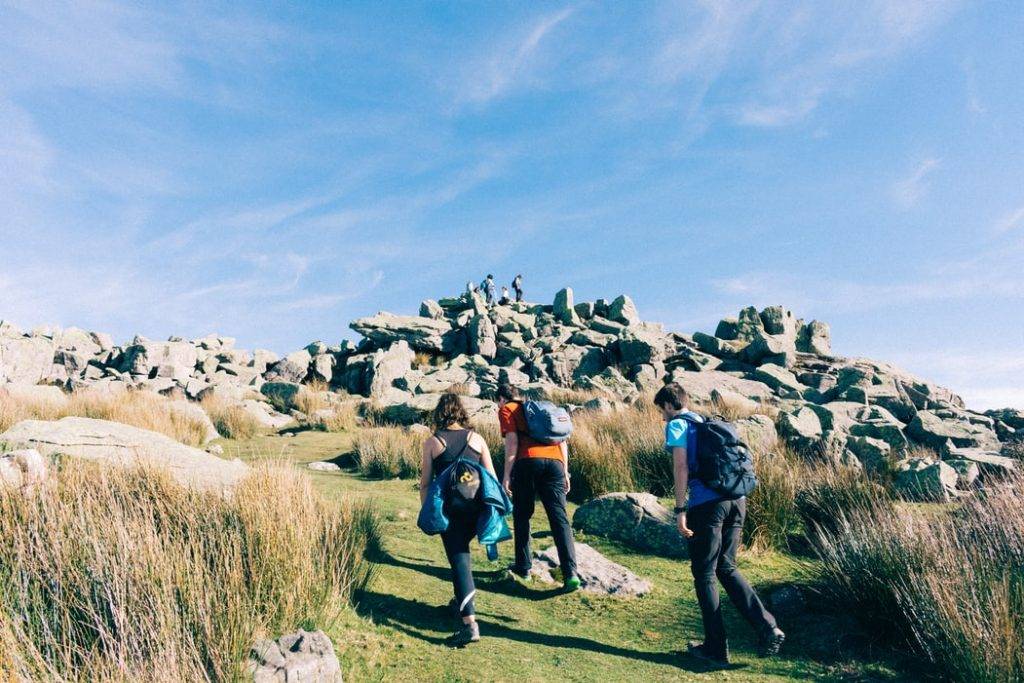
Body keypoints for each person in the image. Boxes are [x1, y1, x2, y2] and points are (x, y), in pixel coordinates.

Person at [653, 382, 785, 666]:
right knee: (726, 567)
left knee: (704, 573)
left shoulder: (677, 426)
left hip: (707, 504)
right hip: (737, 499)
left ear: (667, 405)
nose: (662, 417)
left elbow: (680, 467)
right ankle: (768, 627)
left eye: (661, 411)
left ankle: (715, 648)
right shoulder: (706, 423)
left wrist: (679, 509)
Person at [419, 393, 499, 647]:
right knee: (460, 556)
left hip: (450, 512)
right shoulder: (477, 439)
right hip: (475, 510)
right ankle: (459, 602)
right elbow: (491, 478)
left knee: (460, 560)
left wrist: (430, 512)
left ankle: (470, 625)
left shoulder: (433, 442)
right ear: (462, 412)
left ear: (439, 413)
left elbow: (425, 484)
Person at [496, 383, 579, 590]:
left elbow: (512, 443)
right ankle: (571, 574)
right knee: (560, 518)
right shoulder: (541, 410)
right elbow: (562, 442)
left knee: (523, 515)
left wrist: (506, 475)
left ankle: (523, 567)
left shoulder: (507, 410)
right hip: (556, 465)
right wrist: (565, 471)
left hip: (528, 462)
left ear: (501, 399)